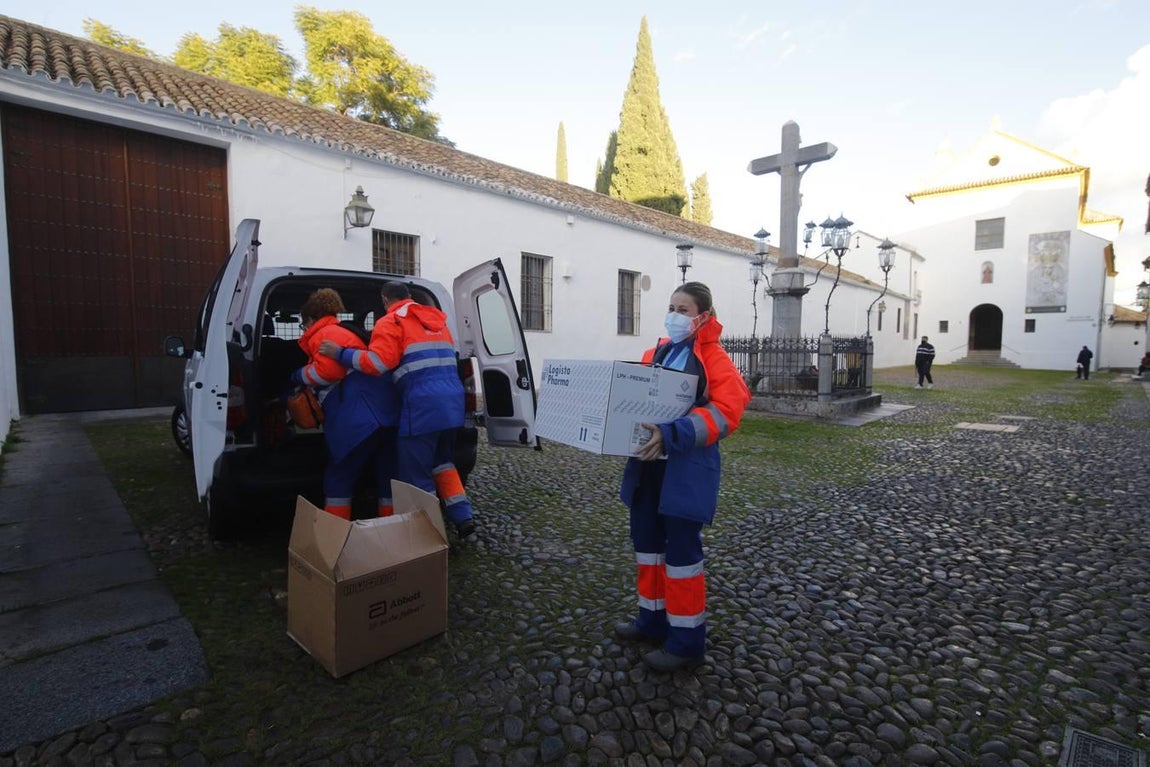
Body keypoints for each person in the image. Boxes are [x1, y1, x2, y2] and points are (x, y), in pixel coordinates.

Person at [614, 282, 751, 672]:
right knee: (648, 547)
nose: (675, 315)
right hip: (648, 467)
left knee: (681, 557)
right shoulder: (657, 352)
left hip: (685, 470)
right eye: (672, 307)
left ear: (704, 316)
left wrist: (673, 434)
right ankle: (652, 620)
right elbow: (633, 398)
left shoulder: (715, 359)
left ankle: (687, 641)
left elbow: (729, 410)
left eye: (684, 309)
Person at [319, 283, 476, 539]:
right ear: (410, 297)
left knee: (416, 477)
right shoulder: (436, 320)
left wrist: (341, 353)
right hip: (453, 405)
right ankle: (463, 517)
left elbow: (377, 364)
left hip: (422, 407)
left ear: (384, 300)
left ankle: (428, 538)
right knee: (443, 463)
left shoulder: (390, 322)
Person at [292, 288, 399, 519]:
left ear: (311, 319)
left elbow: (327, 372)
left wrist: (299, 375)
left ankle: (335, 534)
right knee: (387, 477)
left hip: (357, 421)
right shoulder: (346, 330)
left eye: (304, 325)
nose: (305, 330)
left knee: (339, 478)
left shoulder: (324, 334)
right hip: (387, 415)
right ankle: (390, 529)